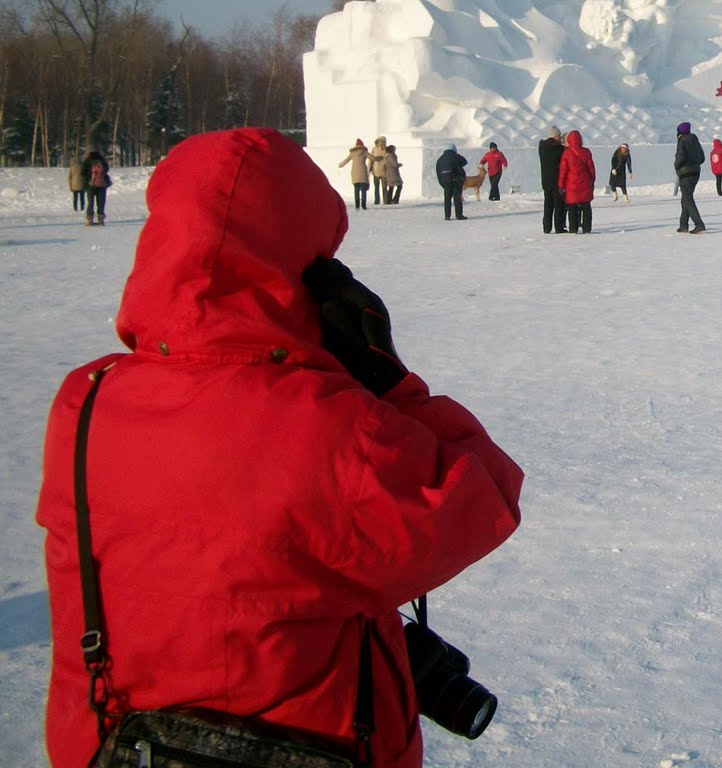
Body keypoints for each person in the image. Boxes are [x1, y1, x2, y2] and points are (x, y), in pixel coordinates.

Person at [35, 128, 522, 768]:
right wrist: (387, 381)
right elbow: (481, 491)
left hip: (109, 745)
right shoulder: (331, 428)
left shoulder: (84, 402)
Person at [558, 129, 595, 233]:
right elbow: (591, 169)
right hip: (585, 184)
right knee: (586, 207)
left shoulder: (567, 153)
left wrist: (561, 185)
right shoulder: (586, 152)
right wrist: (591, 181)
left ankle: (573, 229)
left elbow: (563, 172)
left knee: (572, 208)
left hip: (571, 186)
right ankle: (587, 228)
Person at [674, 122, 707, 233]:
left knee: (687, 199)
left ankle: (699, 224)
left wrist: (677, 166)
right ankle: (683, 224)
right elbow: (702, 158)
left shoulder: (682, 141)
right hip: (696, 172)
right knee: (686, 198)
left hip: (685, 173)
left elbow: (680, 157)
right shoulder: (695, 140)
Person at [539, 127, 566, 233]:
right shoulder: (559, 149)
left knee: (547, 204)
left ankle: (546, 227)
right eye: (559, 136)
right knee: (558, 205)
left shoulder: (542, 148)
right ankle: (559, 227)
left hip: (546, 180)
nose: (560, 138)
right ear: (555, 137)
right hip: (557, 180)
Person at [435, 144, 468, 220]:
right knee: (457, 198)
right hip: (455, 180)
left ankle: (447, 216)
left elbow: (438, 172)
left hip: (445, 181)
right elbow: (465, 162)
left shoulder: (440, 159)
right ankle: (459, 215)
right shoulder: (455, 156)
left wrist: (442, 183)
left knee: (447, 199)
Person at [337, 138, 371, 210]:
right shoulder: (364, 152)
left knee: (356, 190)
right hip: (363, 174)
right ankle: (363, 205)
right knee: (363, 190)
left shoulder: (352, 153)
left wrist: (340, 165)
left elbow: (345, 161)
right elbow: (372, 158)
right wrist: (379, 158)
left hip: (355, 174)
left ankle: (357, 205)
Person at [82, 150, 111, 226]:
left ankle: (90, 219)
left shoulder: (87, 161)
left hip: (90, 185)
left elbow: (82, 172)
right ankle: (101, 219)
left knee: (90, 202)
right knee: (101, 202)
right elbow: (107, 170)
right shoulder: (102, 161)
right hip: (102, 185)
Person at [369, 136, 390, 205]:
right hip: (376, 171)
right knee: (377, 187)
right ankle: (377, 201)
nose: (380, 144)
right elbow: (370, 159)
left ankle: (386, 201)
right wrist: (369, 169)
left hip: (384, 171)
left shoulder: (387, 150)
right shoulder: (374, 149)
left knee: (384, 187)